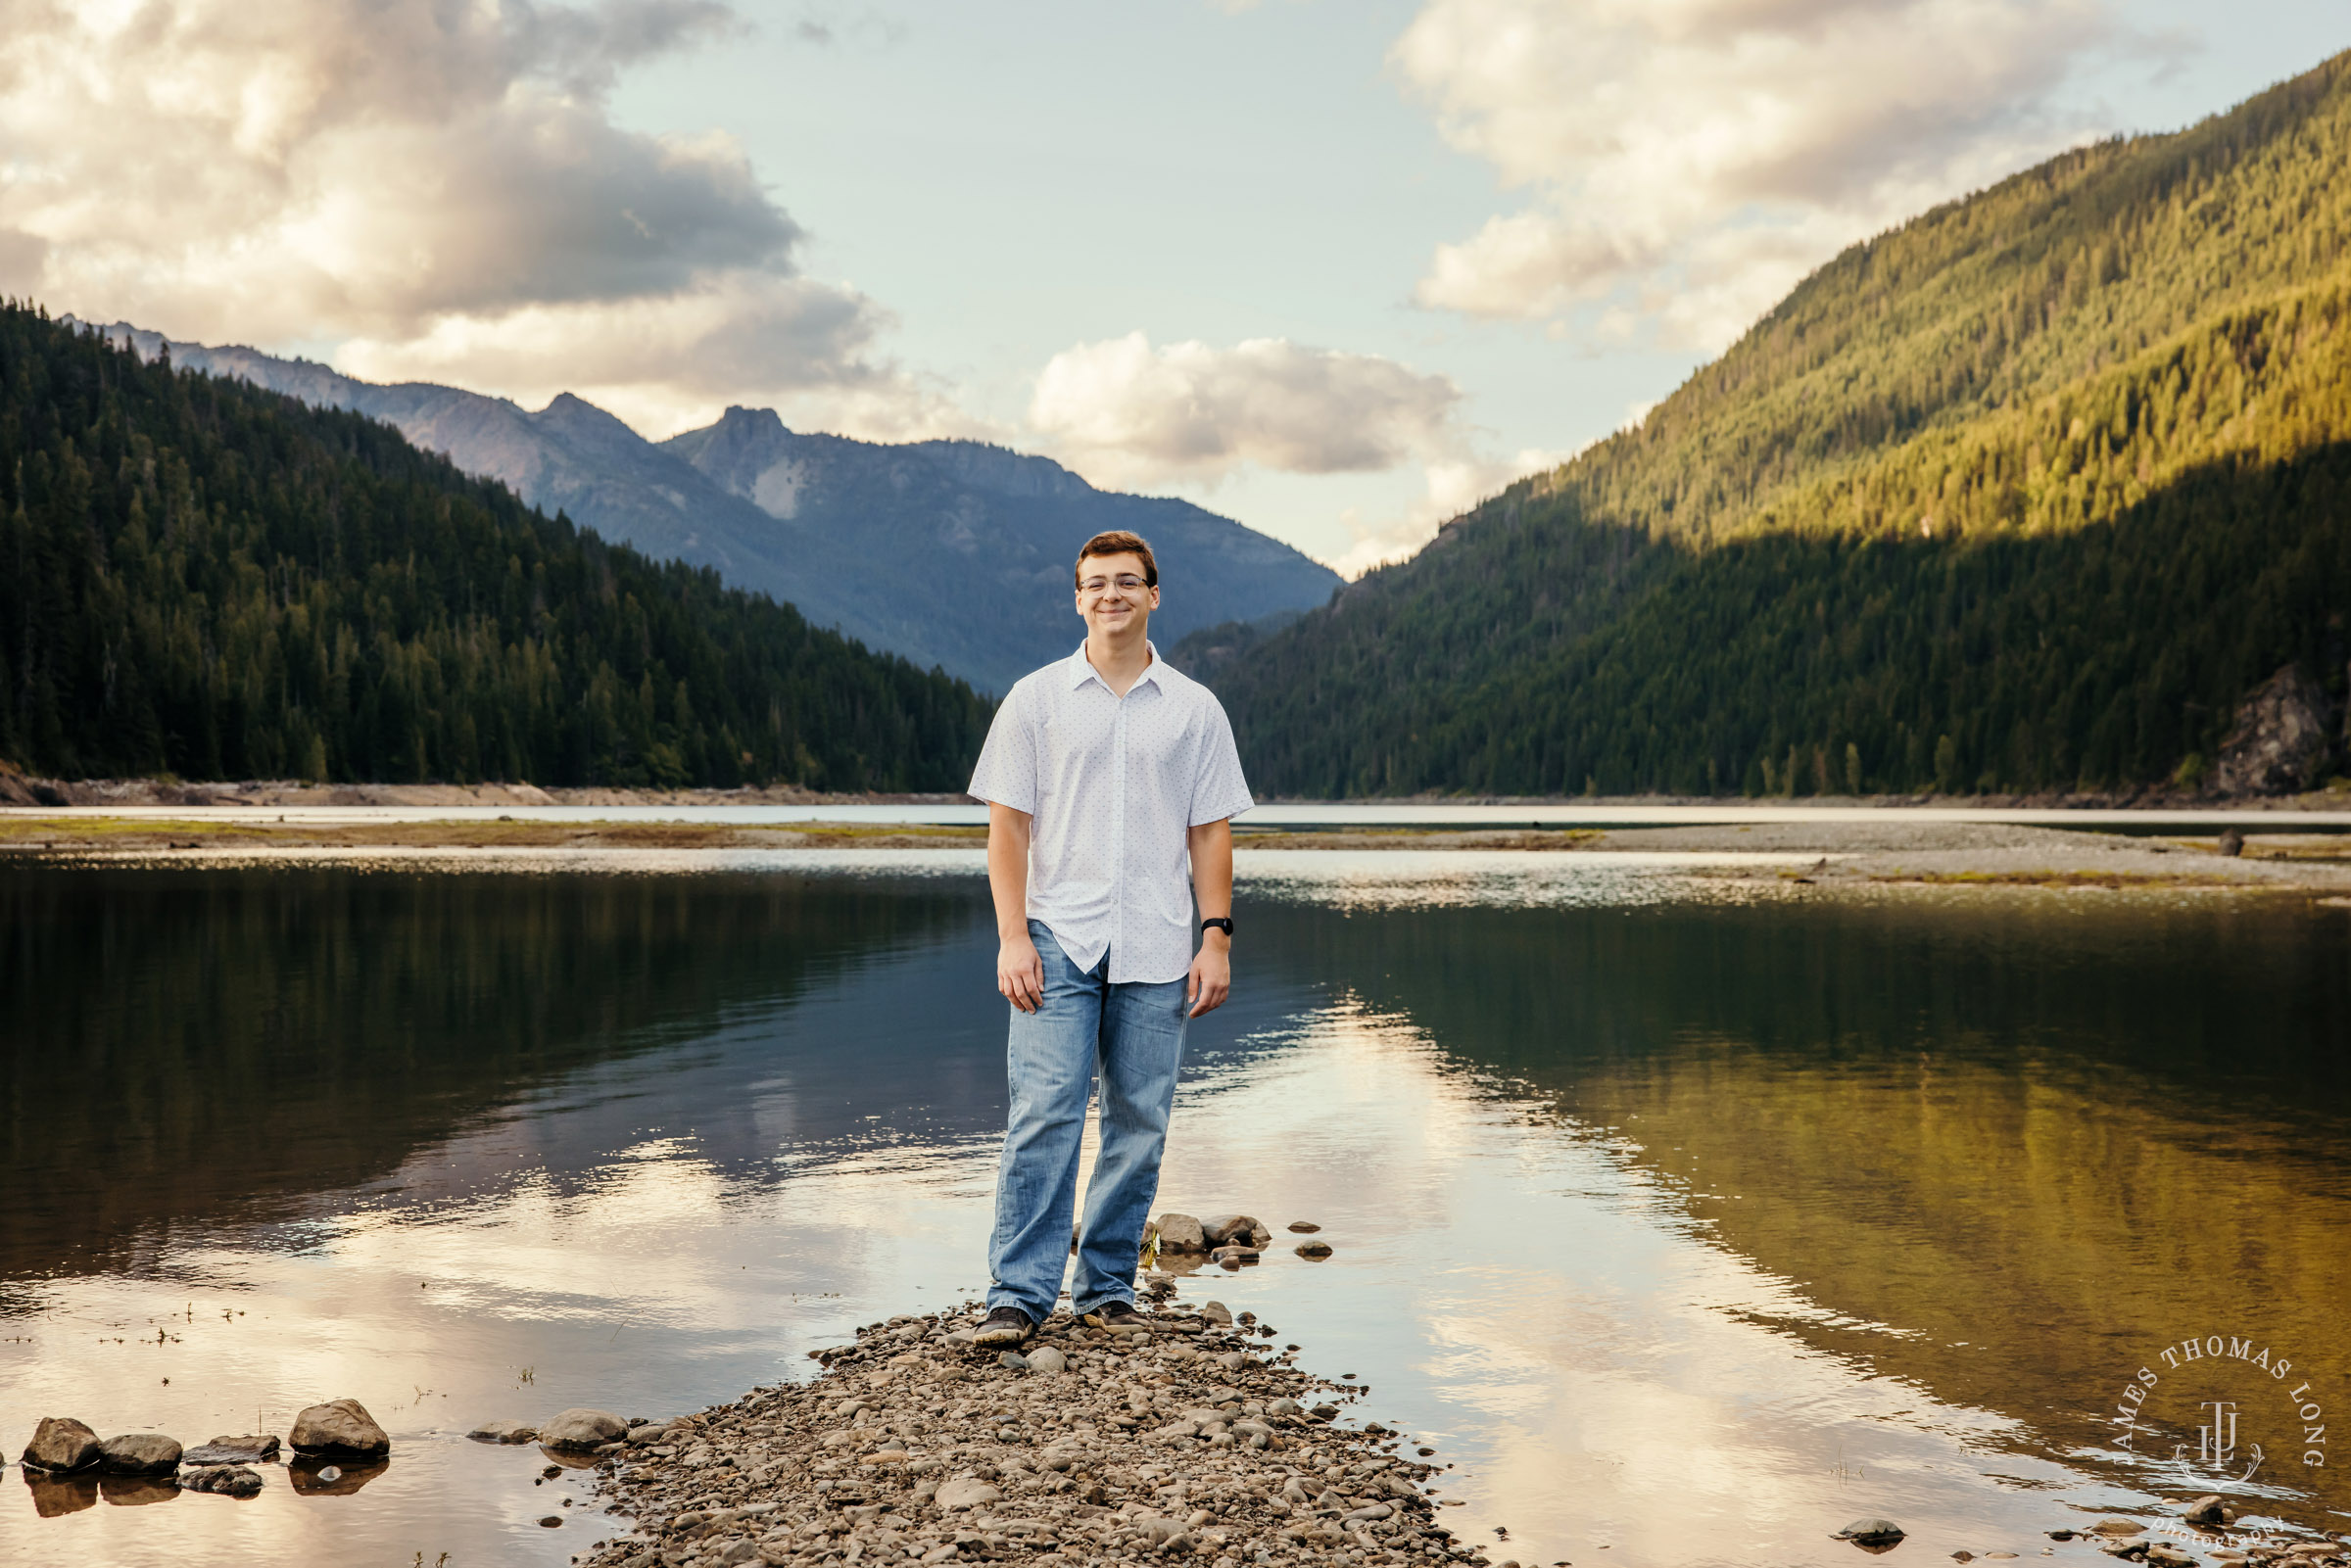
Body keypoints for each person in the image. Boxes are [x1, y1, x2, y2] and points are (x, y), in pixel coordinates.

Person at [963, 528, 1253, 1346]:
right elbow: (1008, 829)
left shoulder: (1195, 709)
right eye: (1096, 583)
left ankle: (1105, 1290)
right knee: (1044, 1113)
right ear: (1077, 597)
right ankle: (1016, 1295)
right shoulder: (1035, 699)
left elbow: (1211, 834)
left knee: (1139, 1119)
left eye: (1128, 582)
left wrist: (1217, 936)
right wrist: (1011, 935)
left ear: (1154, 594)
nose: (1111, 595)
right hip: (1055, 937)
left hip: (1160, 945)